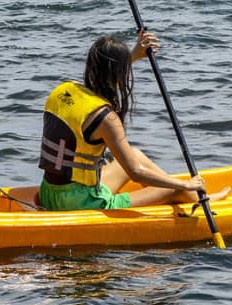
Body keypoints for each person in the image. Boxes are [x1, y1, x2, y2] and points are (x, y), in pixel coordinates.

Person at [37, 31, 209, 211]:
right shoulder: (106, 118)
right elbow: (136, 173)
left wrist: (133, 55)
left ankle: (197, 196)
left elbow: (103, 78)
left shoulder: (63, 90)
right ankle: (203, 200)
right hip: (79, 204)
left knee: (135, 154)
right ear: (118, 72)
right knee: (174, 190)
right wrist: (185, 184)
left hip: (49, 193)